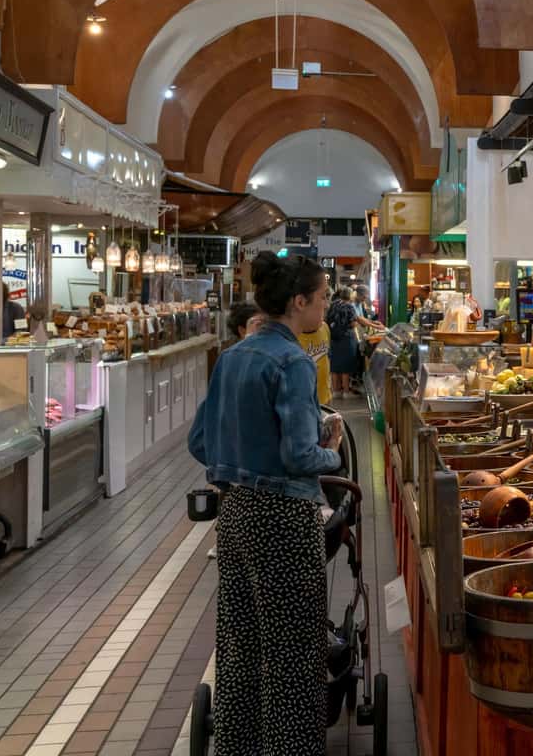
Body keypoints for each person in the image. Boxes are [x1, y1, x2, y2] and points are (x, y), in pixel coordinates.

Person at [189, 252, 340, 755]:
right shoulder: (293, 362)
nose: (325, 307)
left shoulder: (233, 356)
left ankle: (237, 747)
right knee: (292, 654)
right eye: (322, 298)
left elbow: (199, 441)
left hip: (235, 515)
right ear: (298, 301)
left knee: (239, 647)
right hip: (283, 518)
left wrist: (238, 462)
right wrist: (333, 452)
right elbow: (299, 456)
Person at [326, 287, 360, 398]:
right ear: (350, 295)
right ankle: (346, 391)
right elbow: (353, 323)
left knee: (335, 365)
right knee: (346, 365)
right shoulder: (349, 306)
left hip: (333, 338)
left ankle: (336, 391)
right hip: (346, 338)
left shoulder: (333, 304)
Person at [298, 321, 333, 406]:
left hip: (325, 398)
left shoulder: (324, 327)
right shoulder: (292, 336)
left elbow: (326, 358)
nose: (322, 316)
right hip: (304, 402)